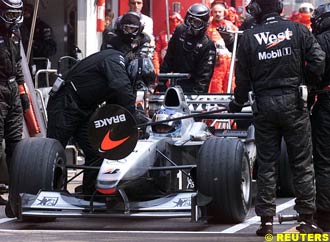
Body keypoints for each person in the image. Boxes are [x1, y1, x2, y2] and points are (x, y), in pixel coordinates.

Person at [228, 0, 325, 235]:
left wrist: (237, 103)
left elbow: (241, 79)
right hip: (294, 102)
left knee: (267, 164)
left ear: (259, 10)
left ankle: (266, 222)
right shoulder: (298, 30)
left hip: (264, 106)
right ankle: (307, 219)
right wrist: (309, 86)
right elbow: (318, 60)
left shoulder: (250, 37)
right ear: (280, 8)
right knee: (302, 163)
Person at [46, 11, 155, 199]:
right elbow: (122, 91)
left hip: (85, 108)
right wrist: (133, 122)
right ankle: (47, 193)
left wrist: (134, 117)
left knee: (96, 149)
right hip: (65, 103)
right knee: (52, 151)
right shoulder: (115, 59)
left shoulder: (120, 63)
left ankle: (92, 194)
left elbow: (117, 105)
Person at [0, 0, 29, 213]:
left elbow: (18, 66)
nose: (14, 19)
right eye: (9, 14)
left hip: (12, 90)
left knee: (15, 144)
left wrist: (23, 92)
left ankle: (15, 191)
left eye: (16, 14)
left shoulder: (15, 34)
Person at [157, 3, 216, 94]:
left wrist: (198, 95)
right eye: (189, 20)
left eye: (196, 22)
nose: (191, 25)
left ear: (204, 24)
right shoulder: (179, 31)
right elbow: (169, 59)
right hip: (175, 83)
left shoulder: (208, 45)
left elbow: (204, 77)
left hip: (193, 87)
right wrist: (161, 82)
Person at [310, 3, 330, 232]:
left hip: (326, 100)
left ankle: (324, 216)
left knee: (324, 162)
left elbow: (315, 69)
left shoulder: (322, 41)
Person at [207, 1, 237, 94]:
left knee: (230, 84)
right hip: (215, 63)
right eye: (215, 12)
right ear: (212, 13)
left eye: (220, 12)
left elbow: (238, 41)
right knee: (216, 85)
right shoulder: (208, 27)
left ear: (224, 13)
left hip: (229, 62)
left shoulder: (231, 26)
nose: (218, 14)